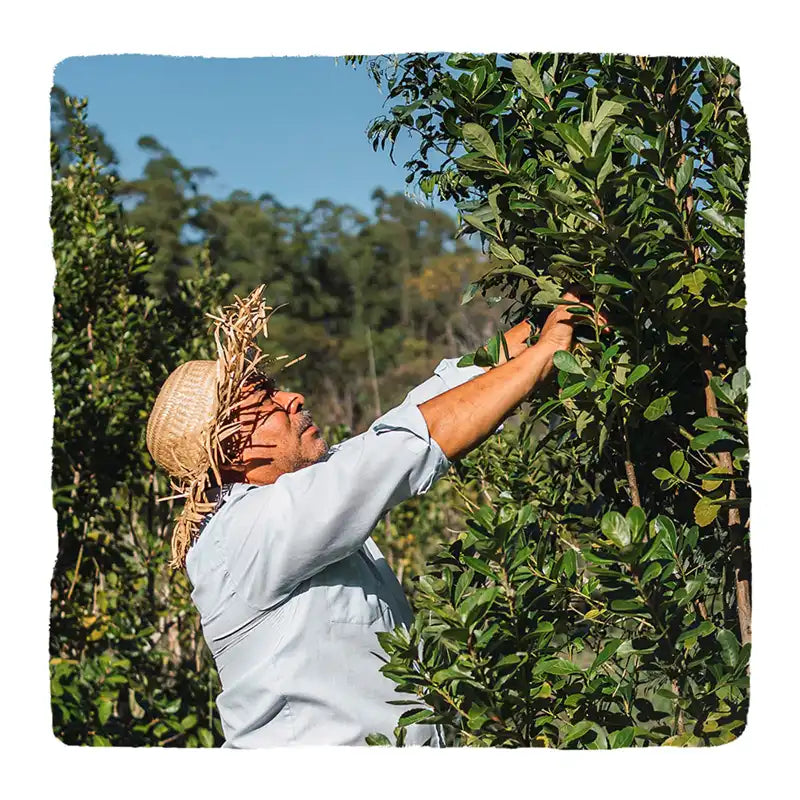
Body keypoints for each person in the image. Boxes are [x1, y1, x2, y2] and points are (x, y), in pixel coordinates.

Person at [146, 285, 607, 747]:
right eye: (265, 400)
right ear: (229, 448)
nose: (293, 397)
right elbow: (408, 445)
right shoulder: (247, 530)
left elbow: (416, 416)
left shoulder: (298, 501)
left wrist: (543, 321)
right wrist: (545, 353)